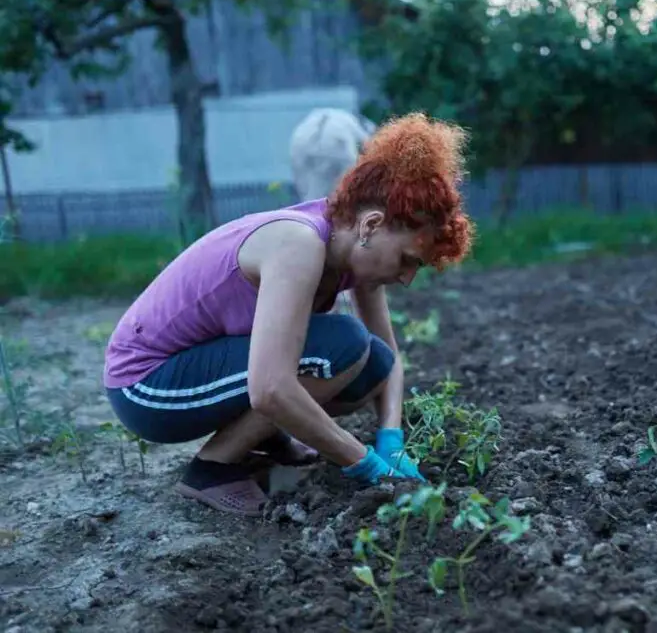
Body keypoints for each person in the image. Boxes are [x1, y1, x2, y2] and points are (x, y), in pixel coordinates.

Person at [102, 112, 474, 517]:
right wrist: (365, 464)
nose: (405, 278)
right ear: (371, 224)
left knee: (373, 361)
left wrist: (390, 438)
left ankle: (265, 439)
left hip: (204, 367)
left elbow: (389, 360)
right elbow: (270, 388)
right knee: (342, 346)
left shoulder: (352, 250)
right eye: (407, 260)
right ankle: (212, 469)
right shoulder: (300, 244)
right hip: (147, 386)